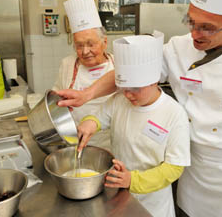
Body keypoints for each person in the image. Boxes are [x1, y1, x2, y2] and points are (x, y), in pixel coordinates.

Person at [56, 0, 222, 216]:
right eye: (191, 22)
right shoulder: (179, 47)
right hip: (189, 163)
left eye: (207, 28)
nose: (195, 34)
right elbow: (130, 72)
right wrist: (87, 94)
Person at [77, 32, 190, 217]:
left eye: (135, 89)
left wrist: (133, 180)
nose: (128, 95)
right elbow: (99, 117)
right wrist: (89, 123)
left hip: (153, 203)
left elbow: (174, 167)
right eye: (124, 88)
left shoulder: (174, 114)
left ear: (155, 80)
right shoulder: (119, 100)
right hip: (118, 195)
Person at [52, 0, 114, 151]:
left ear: (104, 42)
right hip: (74, 139)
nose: (85, 52)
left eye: (91, 44)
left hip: (111, 142)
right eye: (79, 46)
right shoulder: (67, 64)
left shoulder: (119, 65)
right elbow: (57, 91)